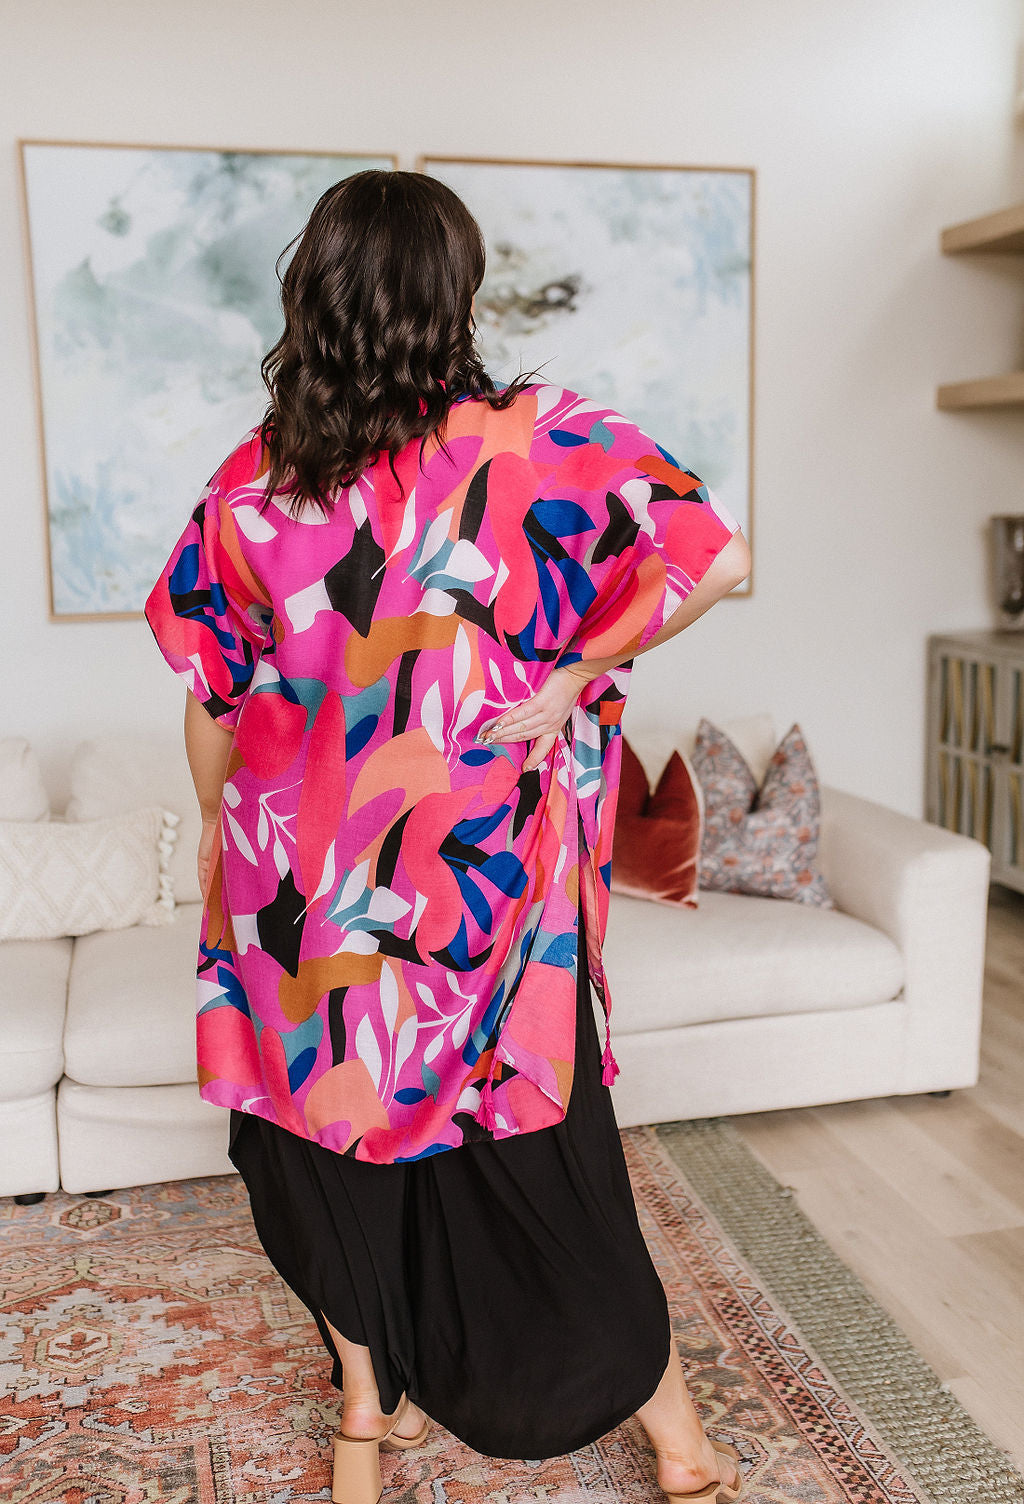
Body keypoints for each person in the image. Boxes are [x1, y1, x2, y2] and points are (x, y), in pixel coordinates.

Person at [144, 170, 751, 1504]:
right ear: (453, 297)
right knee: (544, 1160)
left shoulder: (259, 478)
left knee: (320, 1155)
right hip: (486, 898)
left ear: (314, 293)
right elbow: (717, 557)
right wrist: (574, 670)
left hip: (296, 885)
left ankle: (370, 1415)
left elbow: (210, 693)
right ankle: (681, 1441)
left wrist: (212, 831)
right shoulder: (535, 441)